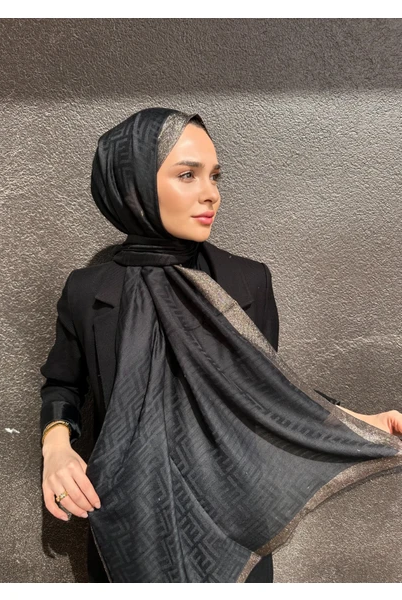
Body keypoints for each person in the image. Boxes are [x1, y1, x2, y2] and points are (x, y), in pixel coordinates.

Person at [40, 107, 402, 583]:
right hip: (129, 519)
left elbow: (270, 394)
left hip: (231, 524)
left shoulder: (246, 281)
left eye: (214, 176)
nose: (211, 193)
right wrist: (56, 448)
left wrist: (365, 424)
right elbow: (62, 385)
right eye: (187, 175)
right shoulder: (88, 291)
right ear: (133, 185)